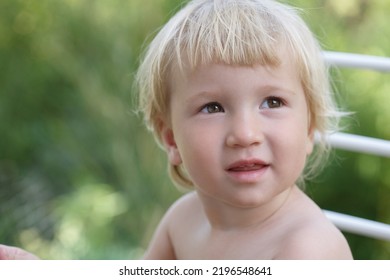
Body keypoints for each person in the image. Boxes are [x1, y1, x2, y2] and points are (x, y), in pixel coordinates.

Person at [136, 0, 353, 259]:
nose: (245, 135)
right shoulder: (183, 221)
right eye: (212, 107)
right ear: (171, 139)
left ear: (309, 129)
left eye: (273, 102)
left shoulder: (307, 249)